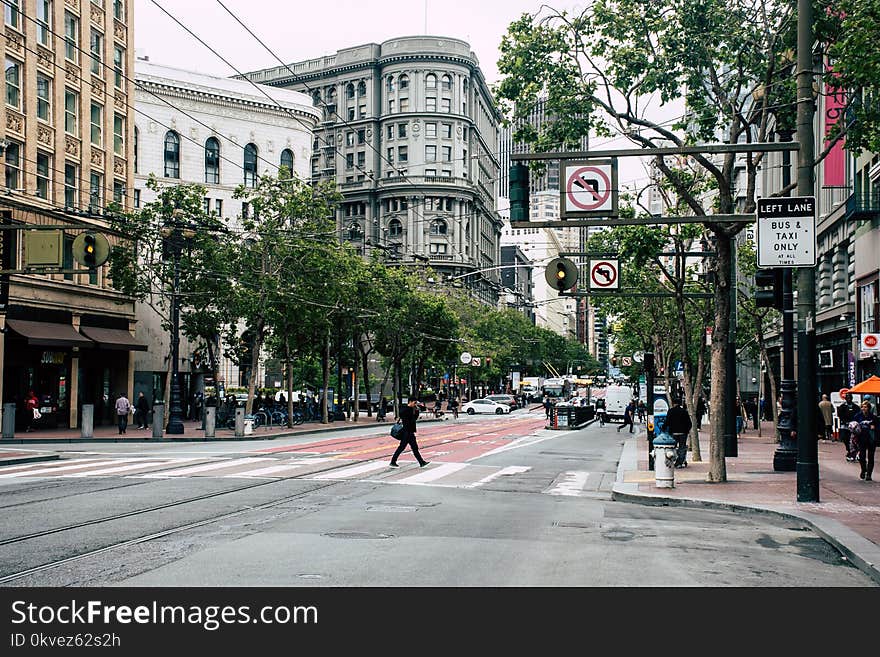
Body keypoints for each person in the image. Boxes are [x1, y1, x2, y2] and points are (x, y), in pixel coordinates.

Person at [389, 397, 429, 468]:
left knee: (414, 448)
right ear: (410, 402)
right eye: (414, 402)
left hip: (410, 432)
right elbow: (408, 418)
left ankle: (421, 462)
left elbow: (414, 419)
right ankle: (393, 461)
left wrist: (416, 411)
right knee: (402, 447)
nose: (415, 404)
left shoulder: (411, 409)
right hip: (406, 432)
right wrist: (414, 412)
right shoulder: (405, 409)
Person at [664, 398, 693, 468]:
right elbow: (689, 423)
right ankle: (679, 462)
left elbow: (667, 422)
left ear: (674, 404)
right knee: (682, 447)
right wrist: (686, 430)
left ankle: (672, 459)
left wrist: (664, 428)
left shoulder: (671, 411)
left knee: (672, 447)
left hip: (673, 432)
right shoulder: (684, 411)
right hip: (683, 433)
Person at [852, 401, 877, 481]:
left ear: (869, 408)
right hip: (861, 439)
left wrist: (874, 427)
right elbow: (853, 426)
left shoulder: (873, 417)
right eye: (862, 407)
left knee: (871, 457)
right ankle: (863, 469)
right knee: (861, 456)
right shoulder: (858, 416)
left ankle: (869, 474)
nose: (864, 408)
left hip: (871, 439)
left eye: (865, 407)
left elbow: (877, 427)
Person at [838, 392, 860, 462]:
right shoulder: (842, 406)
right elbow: (840, 415)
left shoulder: (856, 407)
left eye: (850, 398)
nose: (849, 399)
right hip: (845, 426)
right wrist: (844, 421)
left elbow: (858, 414)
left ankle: (853, 452)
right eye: (847, 398)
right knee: (845, 439)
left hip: (853, 426)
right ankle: (849, 450)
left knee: (853, 440)